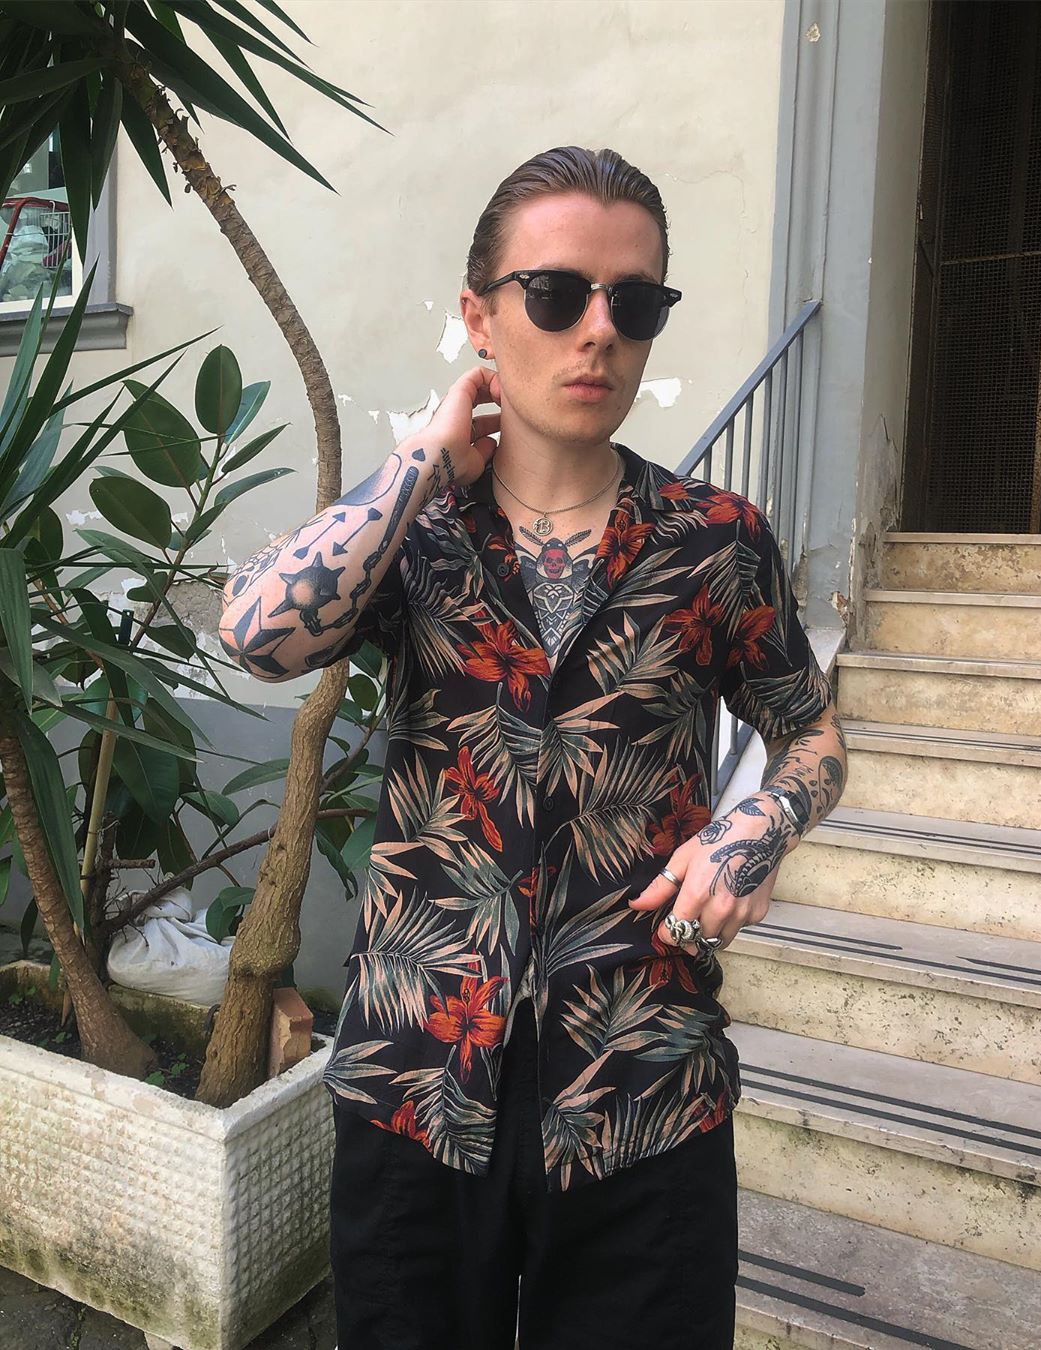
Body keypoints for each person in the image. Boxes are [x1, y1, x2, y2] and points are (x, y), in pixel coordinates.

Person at [219, 145, 848, 1350]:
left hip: (641, 1080)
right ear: (480, 317)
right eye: (556, 295)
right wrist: (420, 462)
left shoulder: (717, 541)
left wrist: (761, 826)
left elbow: (807, 728)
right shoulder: (414, 529)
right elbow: (258, 638)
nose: (598, 331)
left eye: (635, 302)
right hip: (416, 1078)